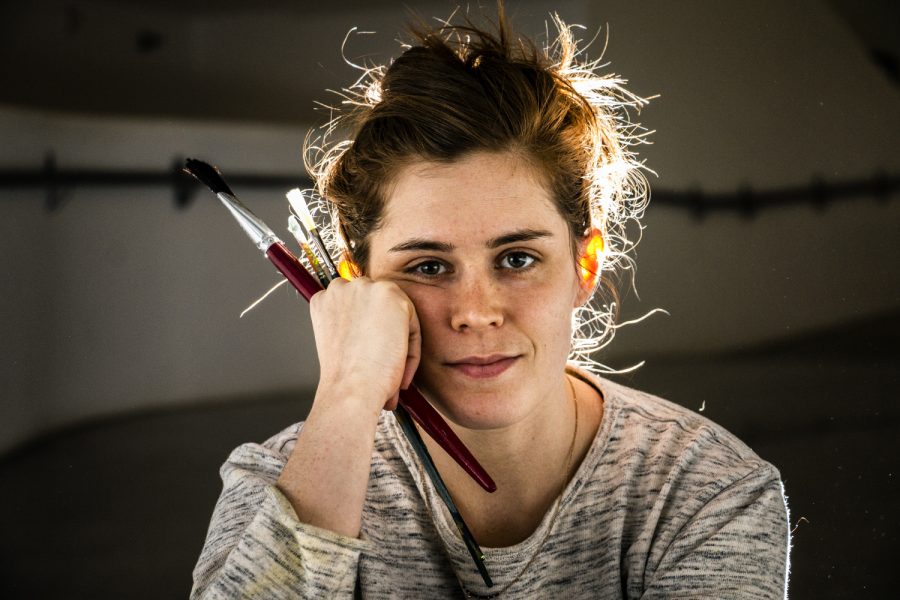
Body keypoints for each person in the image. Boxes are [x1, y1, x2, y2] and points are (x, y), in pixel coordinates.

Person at [191, 6, 790, 599]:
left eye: (517, 259)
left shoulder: (708, 492)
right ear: (356, 291)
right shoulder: (282, 485)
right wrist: (346, 396)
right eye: (429, 267)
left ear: (584, 265)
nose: (477, 312)